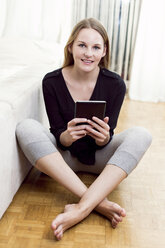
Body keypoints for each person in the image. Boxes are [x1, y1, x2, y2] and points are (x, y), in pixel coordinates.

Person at [16, 18, 152, 240]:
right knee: (25, 127)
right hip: (63, 160)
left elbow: (109, 136)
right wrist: (67, 137)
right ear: (70, 47)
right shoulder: (51, 82)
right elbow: (57, 133)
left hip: (101, 160)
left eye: (96, 47)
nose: (88, 53)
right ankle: (97, 202)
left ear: (103, 51)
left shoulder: (115, 84)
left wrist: (103, 138)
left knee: (142, 135)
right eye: (82, 45)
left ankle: (80, 209)